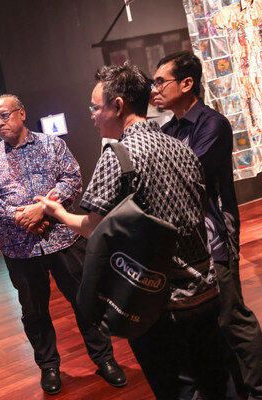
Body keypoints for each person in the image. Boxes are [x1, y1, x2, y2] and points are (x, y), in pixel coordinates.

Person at [34, 63, 237, 399]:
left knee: (177, 390)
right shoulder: (181, 146)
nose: (92, 116)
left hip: (159, 302)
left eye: (95, 108)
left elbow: (93, 228)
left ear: (117, 106)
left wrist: (56, 213)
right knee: (218, 384)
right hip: (206, 292)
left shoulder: (118, 155)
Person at [0, 94, 126, 395]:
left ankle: (104, 359)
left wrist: (42, 210)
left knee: (86, 301)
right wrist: (21, 216)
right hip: (20, 250)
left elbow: (72, 179)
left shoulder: (51, 145)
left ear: (21, 114)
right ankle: (49, 367)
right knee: (33, 312)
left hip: (64, 240)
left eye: (4, 115)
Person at [152, 50, 262, 399]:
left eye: (160, 82)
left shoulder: (212, 124)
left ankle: (257, 388)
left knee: (232, 316)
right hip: (186, 243)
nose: (154, 89)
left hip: (215, 236)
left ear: (187, 83)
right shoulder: (167, 129)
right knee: (208, 323)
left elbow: (188, 176)